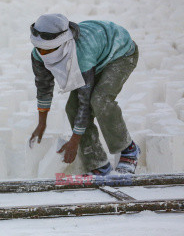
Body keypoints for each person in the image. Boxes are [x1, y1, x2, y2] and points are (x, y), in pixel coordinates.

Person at [28, 14, 140, 175]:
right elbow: (44, 87)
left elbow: (85, 102)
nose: (44, 53)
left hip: (119, 54)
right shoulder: (38, 54)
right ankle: (99, 164)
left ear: (63, 43)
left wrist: (74, 141)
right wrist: (41, 123)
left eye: (49, 49)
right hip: (95, 58)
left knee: (100, 100)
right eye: (40, 48)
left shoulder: (81, 54)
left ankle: (129, 149)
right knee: (72, 109)